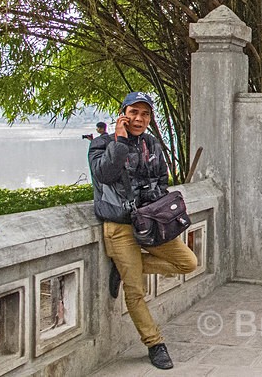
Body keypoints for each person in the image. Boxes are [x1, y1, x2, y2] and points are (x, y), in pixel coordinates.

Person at [88, 92, 196, 370]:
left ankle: (124, 268)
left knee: (188, 263)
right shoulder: (101, 144)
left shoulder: (152, 143)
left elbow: (161, 178)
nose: (139, 119)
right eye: (134, 112)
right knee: (135, 292)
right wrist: (120, 140)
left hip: (150, 224)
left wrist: (153, 205)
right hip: (120, 227)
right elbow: (104, 175)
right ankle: (154, 344)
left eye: (145, 114)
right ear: (123, 113)